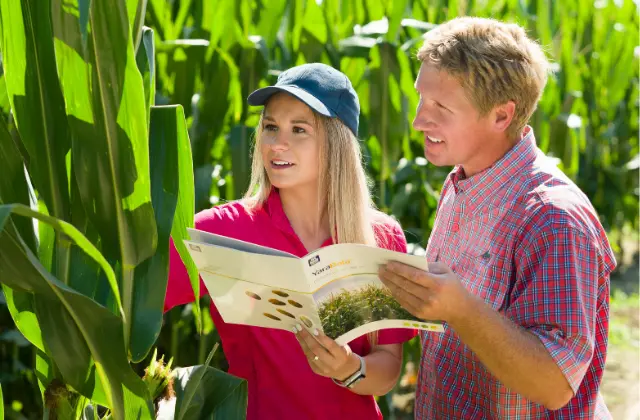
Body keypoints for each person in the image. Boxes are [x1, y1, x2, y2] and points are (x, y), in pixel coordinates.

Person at [378, 17, 616, 419]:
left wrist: (461, 309)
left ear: (502, 117)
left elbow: (554, 384)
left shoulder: (554, 219)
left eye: (441, 107)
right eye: (422, 98)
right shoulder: (461, 184)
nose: (419, 120)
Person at [165, 63, 416, 420]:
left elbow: (388, 367)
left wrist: (348, 368)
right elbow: (133, 300)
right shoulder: (222, 232)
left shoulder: (382, 237)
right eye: (270, 127)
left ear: (336, 143)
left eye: (299, 129)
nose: (277, 143)